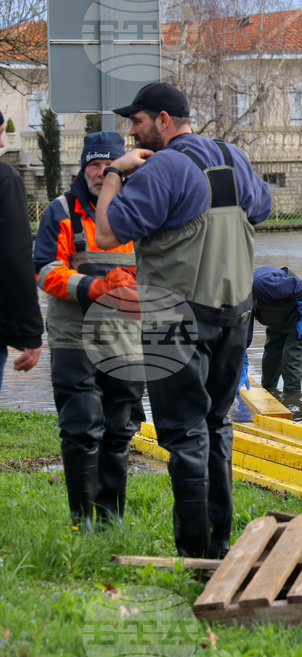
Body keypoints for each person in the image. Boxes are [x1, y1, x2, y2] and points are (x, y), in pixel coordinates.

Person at [94, 82, 273, 557]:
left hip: (176, 320)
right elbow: (263, 208)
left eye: (138, 122)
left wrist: (114, 174)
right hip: (236, 315)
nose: (133, 133)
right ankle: (220, 543)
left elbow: (108, 234)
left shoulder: (165, 167)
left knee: (185, 433)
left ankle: (196, 555)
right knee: (217, 425)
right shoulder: (235, 157)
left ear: (165, 122)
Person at [33, 131, 143, 530]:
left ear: (121, 170)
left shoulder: (140, 212)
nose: (99, 173)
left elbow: (161, 269)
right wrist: (92, 286)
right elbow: (45, 268)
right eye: (93, 166)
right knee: (80, 428)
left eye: (107, 165)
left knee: (119, 430)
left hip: (126, 339)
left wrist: (131, 282)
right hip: (73, 337)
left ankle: (111, 520)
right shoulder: (60, 212)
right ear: (83, 169)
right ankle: (82, 522)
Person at [0, 109, 43, 391]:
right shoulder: (4, 179)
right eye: (0, 134)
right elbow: (14, 258)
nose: (3, 143)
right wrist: (31, 332)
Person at [241, 266, 302, 393]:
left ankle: (293, 401)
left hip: (299, 316)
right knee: (270, 361)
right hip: (275, 320)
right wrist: (242, 362)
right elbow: (242, 333)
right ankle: (269, 393)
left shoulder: (260, 283)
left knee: (292, 364)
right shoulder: (236, 299)